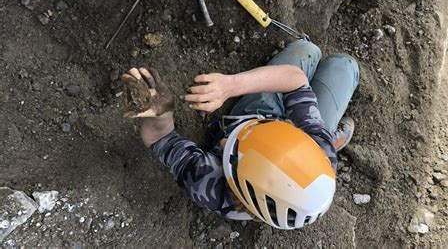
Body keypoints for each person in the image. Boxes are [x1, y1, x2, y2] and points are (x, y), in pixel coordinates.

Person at [121, 39, 359, 229]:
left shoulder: (208, 183)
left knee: (316, 55)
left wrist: (160, 114)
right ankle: (323, 130)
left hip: (262, 118)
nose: (223, 141)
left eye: (229, 156)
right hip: (273, 119)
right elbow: (296, 81)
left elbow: (160, 138)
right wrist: (230, 86)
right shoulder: (318, 154)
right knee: (336, 62)